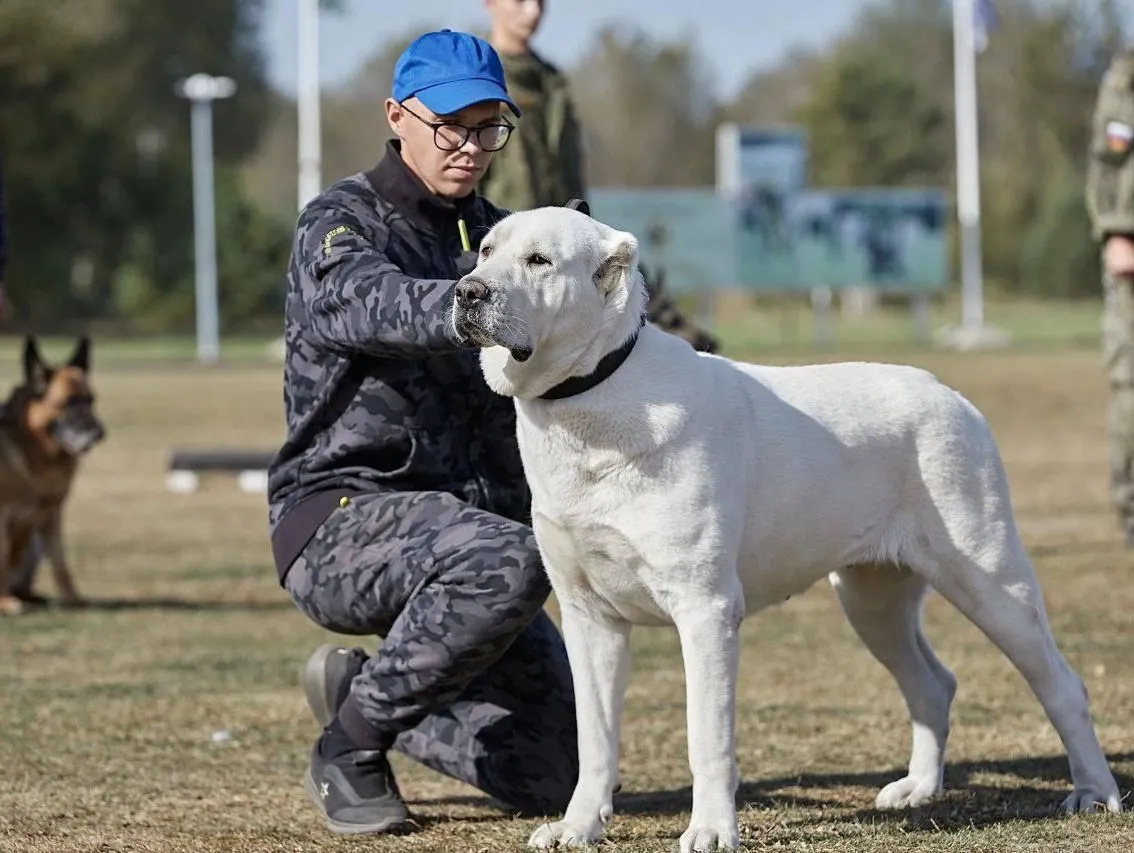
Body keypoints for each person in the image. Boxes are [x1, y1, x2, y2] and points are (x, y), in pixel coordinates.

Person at [266, 29, 578, 836]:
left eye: (488, 129)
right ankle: (351, 745)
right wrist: (480, 305)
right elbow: (367, 303)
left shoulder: (510, 236)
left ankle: (362, 691)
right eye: (451, 127)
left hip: (472, 535)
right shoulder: (339, 223)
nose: (471, 148)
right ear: (397, 117)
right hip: (342, 519)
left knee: (551, 773)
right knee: (514, 556)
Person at [479, 0, 720, 353]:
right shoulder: (477, 82)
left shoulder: (552, 82)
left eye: (541, 2)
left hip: (562, 257)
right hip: (502, 262)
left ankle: (663, 325)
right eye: (519, 0)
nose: (532, 12)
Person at [1088, 47, 1134, 546]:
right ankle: (1131, 505)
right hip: (1132, 245)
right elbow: (1110, 157)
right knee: (1131, 383)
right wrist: (1116, 229)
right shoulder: (1127, 79)